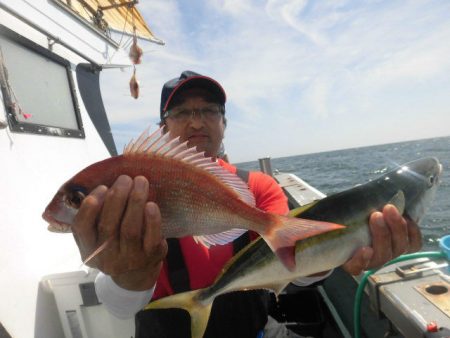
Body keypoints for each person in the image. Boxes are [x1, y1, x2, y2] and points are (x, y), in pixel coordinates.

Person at [72, 70, 422, 337]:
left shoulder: (258, 187)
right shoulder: (124, 189)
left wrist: (339, 251)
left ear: (224, 123)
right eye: (180, 113)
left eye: (209, 110)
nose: (196, 121)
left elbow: (291, 266)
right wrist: (129, 274)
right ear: (162, 129)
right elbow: (118, 307)